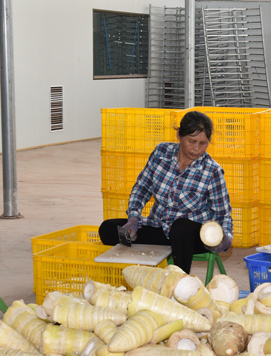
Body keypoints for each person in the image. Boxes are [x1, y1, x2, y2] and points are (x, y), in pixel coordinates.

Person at [98, 111, 233, 274]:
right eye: (192, 141)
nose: (196, 149)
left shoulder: (212, 171)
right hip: (160, 230)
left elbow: (223, 214)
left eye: (203, 143)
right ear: (178, 135)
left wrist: (224, 238)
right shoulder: (161, 153)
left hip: (191, 237)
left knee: (181, 227)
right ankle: (131, 274)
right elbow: (142, 188)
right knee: (108, 228)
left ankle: (178, 283)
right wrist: (133, 218)